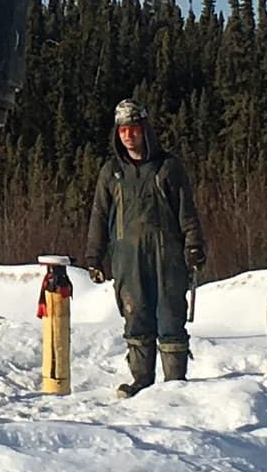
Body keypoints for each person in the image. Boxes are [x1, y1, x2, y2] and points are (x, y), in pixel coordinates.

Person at [83, 98, 207, 392]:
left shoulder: (168, 167)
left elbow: (186, 211)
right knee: (135, 315)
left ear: (145, 130)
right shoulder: (111, 172)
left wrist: (194, 246)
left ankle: (175, 385)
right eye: (123, 130)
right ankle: (142, 380)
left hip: (169, 257)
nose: (128, 135)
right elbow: (99, 215)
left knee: (170, 316)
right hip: (127, 259)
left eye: (133, 128)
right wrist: (93, 256)